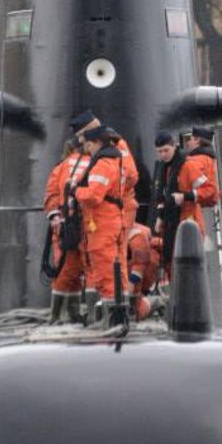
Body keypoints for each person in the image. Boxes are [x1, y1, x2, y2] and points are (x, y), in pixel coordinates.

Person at [72, 125, 127, 304]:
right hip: (113, 220)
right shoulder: (114, 161)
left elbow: (93, 196)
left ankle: (112, 311)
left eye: (89, 146)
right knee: (118, 268)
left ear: (97, 143)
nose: (87, 150)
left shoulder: (103, 164)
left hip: (102, 223)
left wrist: (75, 191)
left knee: (105, 267)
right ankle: (122, 305)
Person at [42, 136, 91, 321]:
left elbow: (52, 194)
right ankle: (71, 313)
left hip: (67, 226)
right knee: (79, 270)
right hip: (85, 226)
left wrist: (54, 215)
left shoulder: (62, 166)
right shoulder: (98, 164)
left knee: (67, 270)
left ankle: (59, 315)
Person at [150, 130, 212, 274]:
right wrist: (160, 217)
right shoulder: (164, 168)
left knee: (185, 268)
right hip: (171, 222)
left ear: (174, 146)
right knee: (170, 263)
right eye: (160, 152)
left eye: (166, 150)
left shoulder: (188, 166)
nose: (163, 155)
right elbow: (163, 197)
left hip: (188, 222)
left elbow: (210, 190)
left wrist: (186, 196)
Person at [69, 109, 138, 227]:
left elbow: (131, 177)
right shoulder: (94, 149)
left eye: (81, 135)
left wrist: (103, 192)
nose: (80, 140)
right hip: (99, 212)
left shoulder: (115, 145)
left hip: (116, 210)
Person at [183, 126, 221, 210]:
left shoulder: (195, 161)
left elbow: (209, 189)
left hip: (191, 206)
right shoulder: (208, 159)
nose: (187, 143)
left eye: (190, 139)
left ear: (197, 140)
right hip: (204, 204)